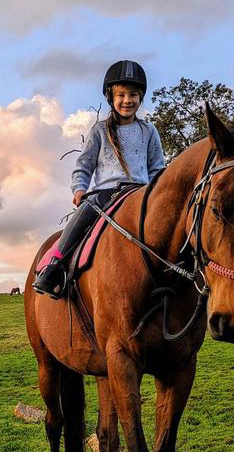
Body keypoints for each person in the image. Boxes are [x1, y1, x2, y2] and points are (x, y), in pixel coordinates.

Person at [33, 60, 166, 298]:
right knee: (81, 219)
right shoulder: (100, 130)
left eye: (133, 94)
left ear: (141, 97)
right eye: (121, 94)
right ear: (111, 98)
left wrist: (158, 194)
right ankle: (53, 265)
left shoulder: (149, 131)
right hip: (105, 195)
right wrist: (79, 189)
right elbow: (83, 166)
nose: (127, 100)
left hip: (141, 194)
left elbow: (157, 168)